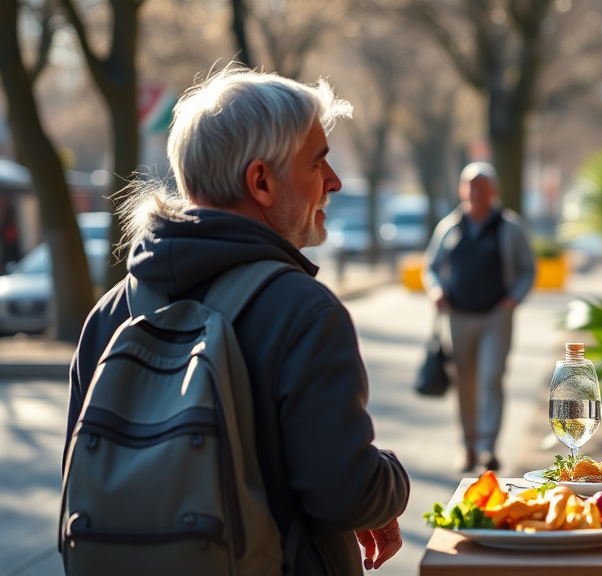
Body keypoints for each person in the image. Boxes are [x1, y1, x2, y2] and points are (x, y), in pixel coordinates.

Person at [64, 66, 409, 574]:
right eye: (318, 163)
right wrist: (388, 482)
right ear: (261, 182)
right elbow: (345, 495)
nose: (334, 181)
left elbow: (83, 480)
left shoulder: (109, 315)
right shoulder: (304, 312)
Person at [423, 162, 536, 473]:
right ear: (462, 191)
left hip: (495, 316)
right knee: (465, 383)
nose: (475, 193)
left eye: (481, 187)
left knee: (490, 377)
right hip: (457, 317)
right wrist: (435, 290)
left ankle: (488, 448)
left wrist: (514, 298)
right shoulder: (449, 226)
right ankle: (468, 446)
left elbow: (528, 269)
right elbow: (431, 267)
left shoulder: (509, 227)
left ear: (493, 191)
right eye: (470, 186)